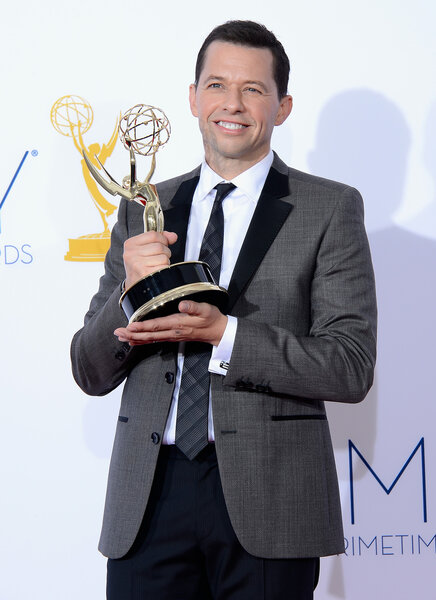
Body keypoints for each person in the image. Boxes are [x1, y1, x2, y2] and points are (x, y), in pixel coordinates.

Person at [71, 20, 377, 600]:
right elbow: (89, 370)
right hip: (148, 500)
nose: (231, 104)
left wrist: (227, 336)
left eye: (253, 89)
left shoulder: (330, 208)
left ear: (282, 106)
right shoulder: (144, 208)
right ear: (192, 98)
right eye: (216, 85)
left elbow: (350, 365)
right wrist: (126, 293)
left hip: (271, 501)